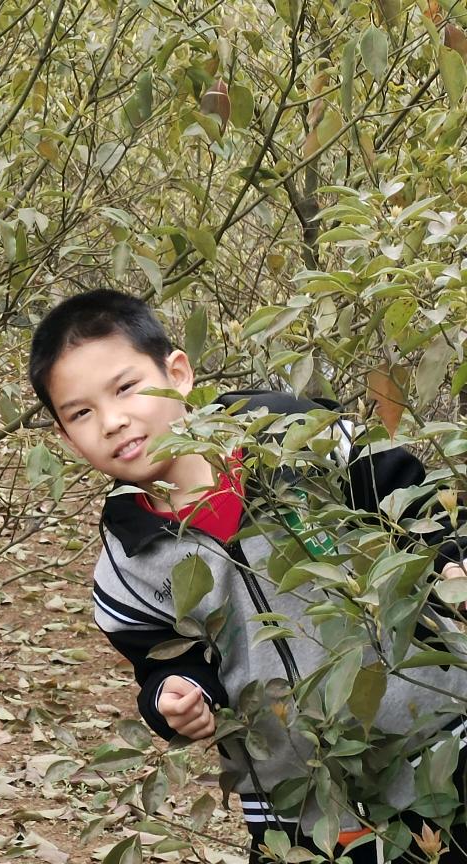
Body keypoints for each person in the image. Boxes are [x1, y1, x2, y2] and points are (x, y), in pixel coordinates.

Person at [27, 289, 467, 863]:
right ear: (65, 437)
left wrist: (452, 558)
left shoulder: (295, 441)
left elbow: (413, 499)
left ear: (178, 372)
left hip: (441, 746)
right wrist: (176, 698)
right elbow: (164, 663)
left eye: (126, 386)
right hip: (304, 804)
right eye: (80, 413)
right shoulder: (128, 562)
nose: (113, 421)